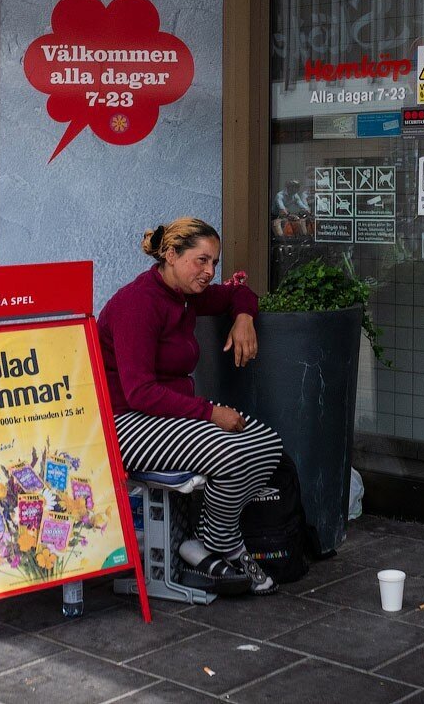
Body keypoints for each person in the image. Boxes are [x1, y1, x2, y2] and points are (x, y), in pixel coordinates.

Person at [97, 217, 283, 596]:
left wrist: (244, 317)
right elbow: (141, 393)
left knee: (267, 445)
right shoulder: (138, 304)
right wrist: (211, 413)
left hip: (170, 413)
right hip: (125, 423)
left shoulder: (185, 295)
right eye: (201, 260)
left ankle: (209, 541)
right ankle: (224, 546)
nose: (210, 271)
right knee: (230, 453)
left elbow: (236, 293)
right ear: (170, 255)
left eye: (214, 262)